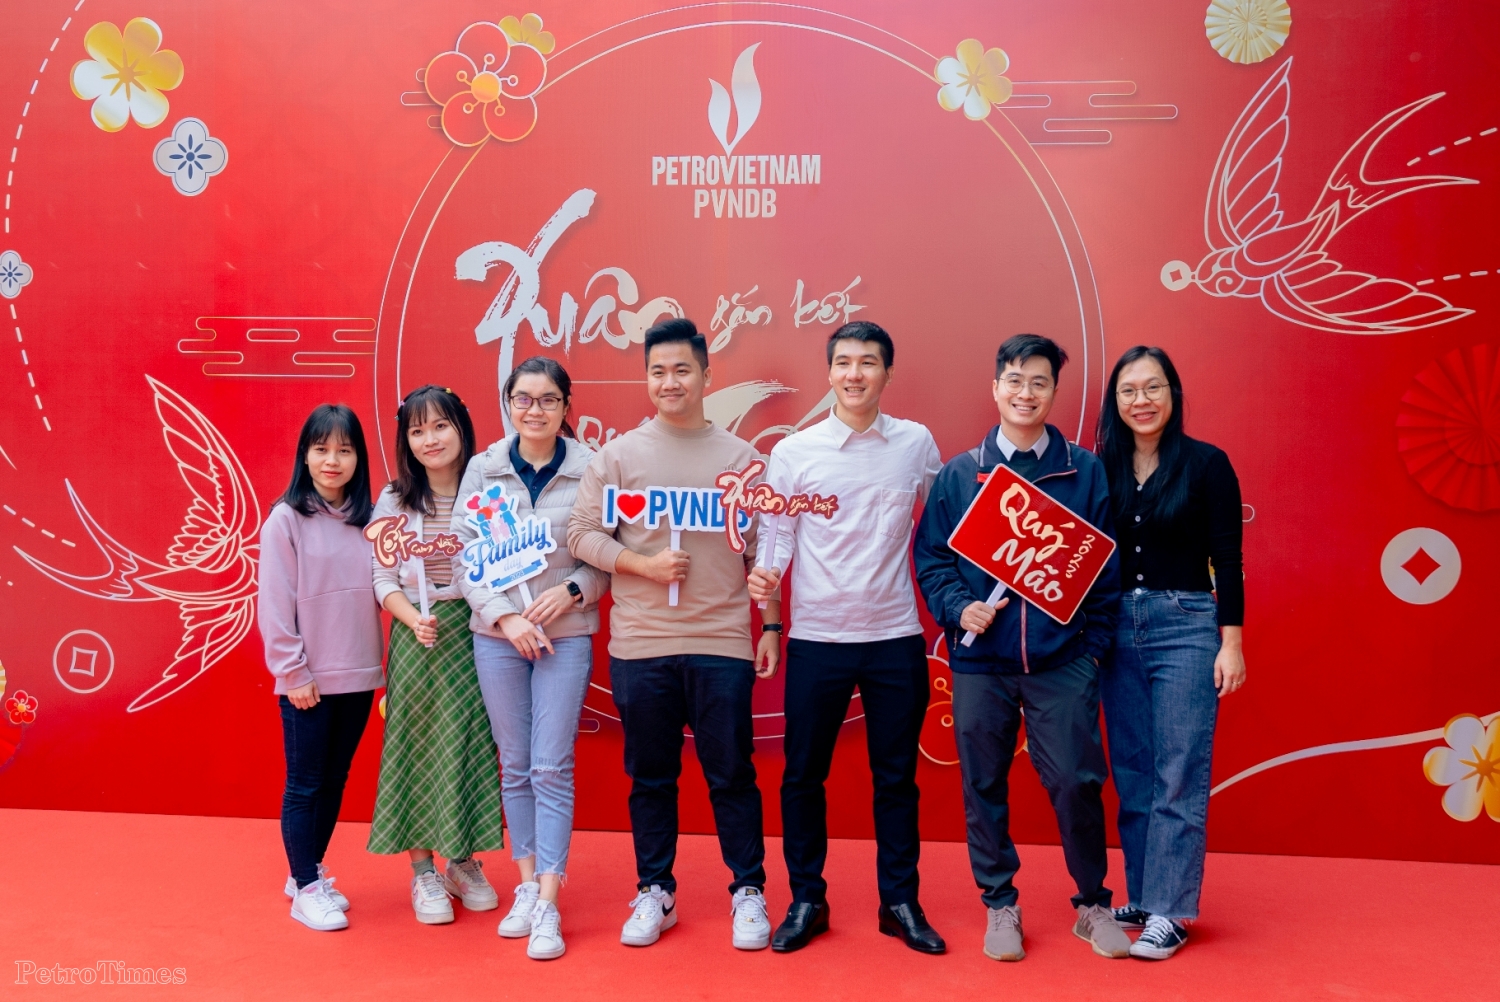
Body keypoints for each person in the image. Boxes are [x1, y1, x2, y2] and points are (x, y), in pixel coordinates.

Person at [913, 334, 1129, 962]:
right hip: (980, 663)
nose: (1025, 393)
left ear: (1054, 392)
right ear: (995, 387)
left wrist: (1091, 650)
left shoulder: (1084, 471)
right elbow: (932, 560)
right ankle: (999, 903)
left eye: (1039, 382)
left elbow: (1104, 571)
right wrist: (959, 607)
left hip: (1063, 663)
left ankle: (1093, 903)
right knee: (982, 783)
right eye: (1014, 380)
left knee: (1078, 783)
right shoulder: (961, 474)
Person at [568, 318, 781, 951]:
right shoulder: (617, 457)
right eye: (658, 371)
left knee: (731, 774)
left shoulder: (743, 462)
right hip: (642, 644)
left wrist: (771, 622)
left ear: (707, 376)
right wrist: (642, 565)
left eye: (682, 370)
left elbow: (764, 551)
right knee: (652, 777)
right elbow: (582, 534)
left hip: (722, 642)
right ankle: (655, 890)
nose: (670, 382)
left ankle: (748, 890)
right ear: (646, 378)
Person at [745, 321, 946, 955]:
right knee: (803, 776)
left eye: (868, 362)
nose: (854, 374)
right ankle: (807, 899)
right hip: (817, 639)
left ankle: (900, 903)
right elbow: (776, 538)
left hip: (895, 636)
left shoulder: (915, 443)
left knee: (897, 780)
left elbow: (947, 521)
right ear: (829, 372)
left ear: (888, 372)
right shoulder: (794, 452)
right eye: (843, 363)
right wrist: (770, 613)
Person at [1094, 346, 1246, 960]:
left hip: (1185, 624)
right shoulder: (1098, 467)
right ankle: (1144, 894)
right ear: (1115, 401)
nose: (1142, 400)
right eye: (1129, 390)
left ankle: (1172, 910)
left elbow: (1228, 559)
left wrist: (1231, 642)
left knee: (1178, 769)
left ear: (1173, 394)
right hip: (1114, 628)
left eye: (1153, 387)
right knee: (1132, 769)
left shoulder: (1207, 464)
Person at [456, 357, 610, 961]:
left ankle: (548, 899)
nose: (535, 410)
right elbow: (466, 557)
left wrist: (572, 590)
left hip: (565, 637)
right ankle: (524, 886)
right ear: (508, 403)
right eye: (523, 398)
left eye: (548, 399)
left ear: (566, 406)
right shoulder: (484, 468)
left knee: (551, 766)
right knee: (516, 764)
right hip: (498, 639)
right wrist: (506, 617)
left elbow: (608, 555)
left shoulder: (593, 467)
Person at [367, 385, 506, 927]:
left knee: (470, 742)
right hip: (417, 636)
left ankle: (462, 860)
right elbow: (382, 578)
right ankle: (423, 869)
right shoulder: (395, 500)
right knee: (416, 743)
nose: (430, 439)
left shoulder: (489, 492)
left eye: (440, 426)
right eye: (417, 430)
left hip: (477, 629)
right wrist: (411, 618)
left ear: (461, 429)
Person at [259, 404, 384, 932]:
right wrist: (294, 673)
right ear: (305, 456)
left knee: (335, 779)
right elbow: (274, 604)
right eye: (321, 448)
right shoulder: (285, 520)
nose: (333, 460)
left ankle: (305, 873)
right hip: (308, 680)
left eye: (345, 450)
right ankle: (306, 888)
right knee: (305, 784)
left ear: (359, 458)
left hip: (360, 674)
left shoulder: (372, 522)